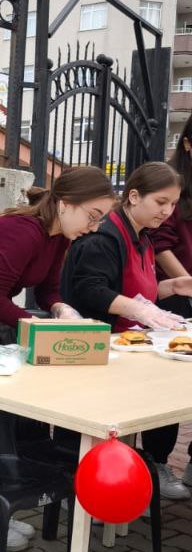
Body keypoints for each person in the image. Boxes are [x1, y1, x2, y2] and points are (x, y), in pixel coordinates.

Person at [0, 165, 117, 549]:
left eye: (100, 219)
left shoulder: (57, 238)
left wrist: (61, 309)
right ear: (66, 204)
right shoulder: (24, 234)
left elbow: (48, 288)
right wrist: (42, 327)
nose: (94, 227)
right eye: (92, 216)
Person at [61, 161, 192, 499]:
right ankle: (94, 482)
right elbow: (91, 289)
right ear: (134, 196)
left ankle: (149, 467)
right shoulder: (104, 236)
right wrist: (139, 309)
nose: (167, 211)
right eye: (161, 202)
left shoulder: (143, 237)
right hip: (95, 347)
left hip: (128, 346)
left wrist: (173, 287)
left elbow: (138, 289)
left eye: (174, 204)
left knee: (167, 386)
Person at [148, 118, 192, 491]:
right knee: (167, 387)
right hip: (177, 299)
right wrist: (188, 286)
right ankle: (158, 464)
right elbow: (160, 245)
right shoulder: (171, 185)